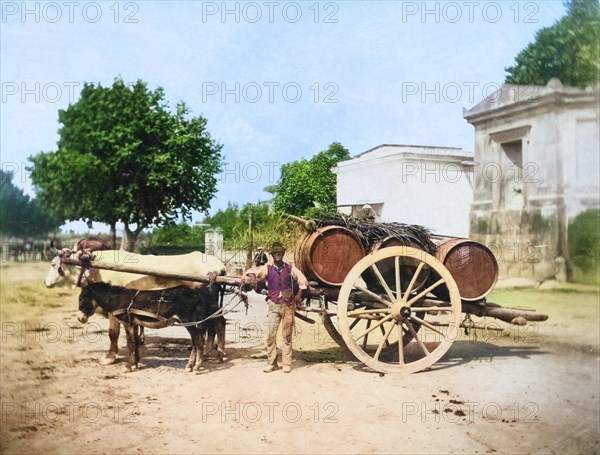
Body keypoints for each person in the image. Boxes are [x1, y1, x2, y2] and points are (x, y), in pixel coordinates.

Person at [241, 241, 309, 373]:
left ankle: (286, 363)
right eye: (275, 253)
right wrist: (252, 277)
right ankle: (272, 363)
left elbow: (303, 280)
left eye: (280, 253)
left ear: (283, 254)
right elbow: (252, 271)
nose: (278, 255)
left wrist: (299, 295)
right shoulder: (268, 267)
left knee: (287, 336)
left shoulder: (291, 268)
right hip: (273, 305)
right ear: (272, 255)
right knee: (270, 336)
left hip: (288, 305)